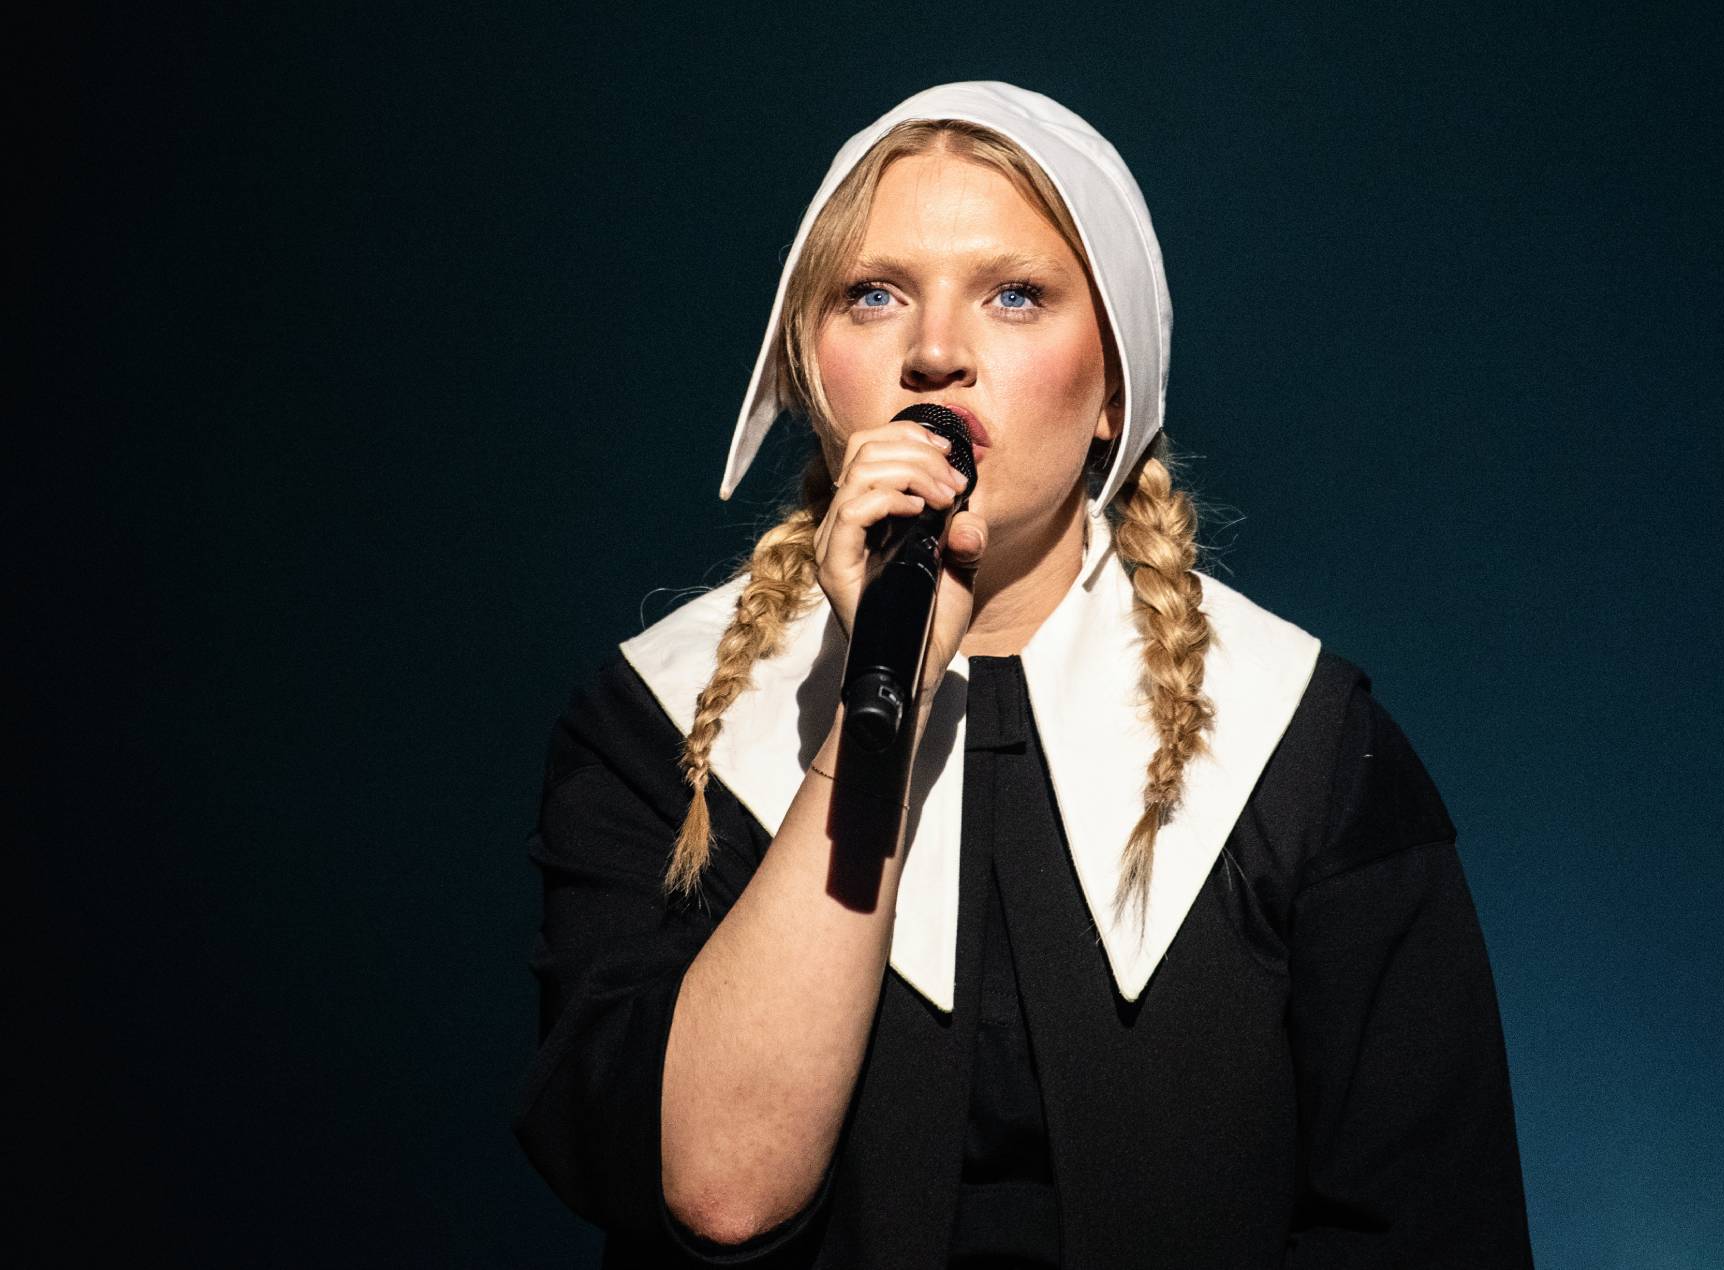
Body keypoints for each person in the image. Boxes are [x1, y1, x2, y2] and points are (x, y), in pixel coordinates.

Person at [511, 81, 1533, 1268]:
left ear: (1113, 389)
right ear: (808, 363)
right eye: (873, 294)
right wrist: (883, 699)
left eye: (1013, 295)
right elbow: (722, 1185)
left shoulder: (1306, 752)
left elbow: (1429, 1232)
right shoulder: (657, 724)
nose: (934, 354)